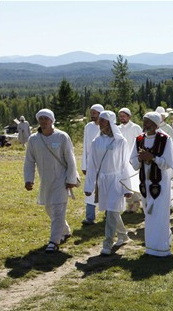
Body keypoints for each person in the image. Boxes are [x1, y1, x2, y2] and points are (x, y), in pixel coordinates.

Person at [24, 109, 78, 253]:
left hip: (61, 180)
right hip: (45, 181)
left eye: (46, 119)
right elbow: (29, 161)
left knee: (58, 209)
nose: (43, 121)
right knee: (49, 208)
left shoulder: (62, 137)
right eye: (41, 119)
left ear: (52, 120)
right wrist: (29, 179)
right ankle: (65, 231)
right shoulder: (33, 139)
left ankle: (54, 241)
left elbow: (70, 159)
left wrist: (71, 178)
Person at [130, 111, 173, 257]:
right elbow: (133, 163)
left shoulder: (165, 140)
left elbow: (168, 164)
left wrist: (152, 158)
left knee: (160, 214)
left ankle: (162, 248)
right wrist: (140, 158)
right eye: (144, 121)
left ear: (156, 124)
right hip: (145, 183)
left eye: (148, 122)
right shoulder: (139, 139)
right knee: (148, 215)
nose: (145, 125)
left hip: (160, 184)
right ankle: (151, 247)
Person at [84, 111, 132, 256]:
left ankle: (107, 243)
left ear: (110, 122)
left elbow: (125, 164)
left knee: (112, 211)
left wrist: (126, 187)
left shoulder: (120, 141)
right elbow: (92, 165)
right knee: (112, 210)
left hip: (116, 180)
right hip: (102, 180)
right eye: (100, 121)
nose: (100, 123)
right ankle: (123, 234)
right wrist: (89, 186)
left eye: (103, 121)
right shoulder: (96, 141)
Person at [81, 104, 104, 225]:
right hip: (91, 164)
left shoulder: (108, 127)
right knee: (90, 189)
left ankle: (108, 215)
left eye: (94, 113)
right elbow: (85, 147)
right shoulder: (88, 127)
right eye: (91, 113)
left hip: (105, 164)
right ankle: (90, 217)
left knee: (105, 188)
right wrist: (84, 165)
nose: (92, 115)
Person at [118, 107, 143, 213]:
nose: (122, 118)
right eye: (120, 117)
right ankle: (129, 203)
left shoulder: (135, 128)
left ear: (129, 116)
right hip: (121, 159)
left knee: (135, 180)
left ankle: (137, 201)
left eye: (124, 116)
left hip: (133, 158)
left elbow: (141, 142)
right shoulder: (118, 129)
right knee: (125, 181)